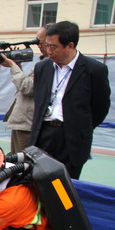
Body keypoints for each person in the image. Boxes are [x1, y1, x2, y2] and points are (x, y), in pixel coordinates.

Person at [29, 21, 111, 179]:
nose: (49, 51)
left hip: (71, 140)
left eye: (54, 47)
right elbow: (39, 100)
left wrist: (80, 128)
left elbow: (100, 108)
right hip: (43, 134)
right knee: (37, 182)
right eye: (47, 45)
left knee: (65, 186)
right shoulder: (42, 68)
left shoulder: (94, 70)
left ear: (70, 46)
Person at [0, 24, 50, 153]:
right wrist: (17, 65)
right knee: (16, 159)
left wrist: (13, 66)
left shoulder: (50, 64)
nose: (39, 45)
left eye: (41, 42)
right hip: (23, 122)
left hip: (27, 124)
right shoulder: (44, 63)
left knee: (23, 160)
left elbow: (28, 87)